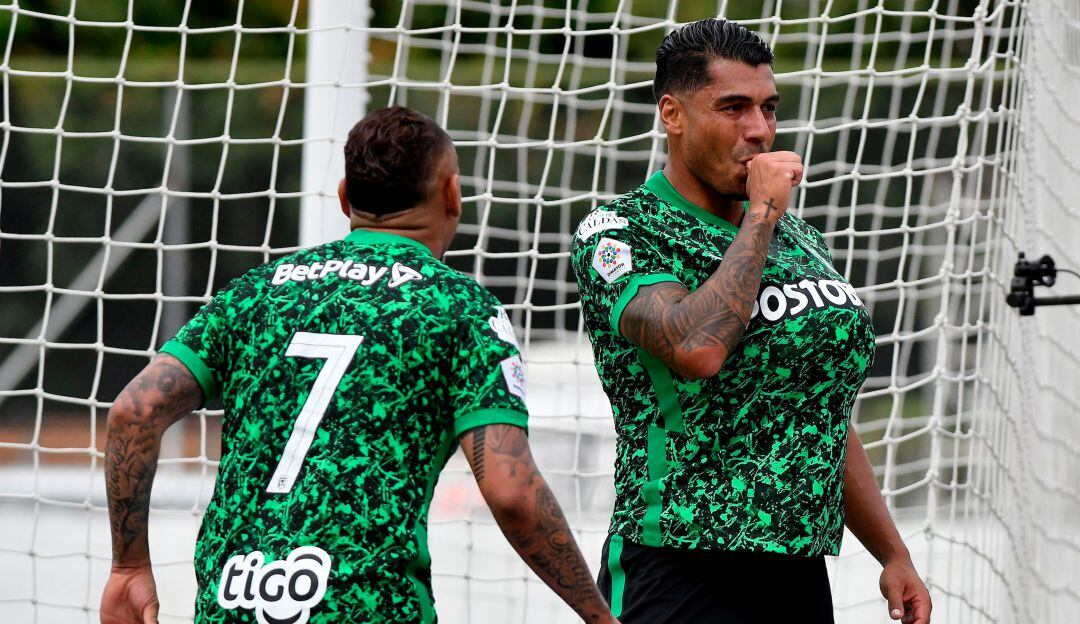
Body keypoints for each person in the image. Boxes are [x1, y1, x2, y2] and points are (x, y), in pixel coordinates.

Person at [101, 106, 618, 624]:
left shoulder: (257, 292)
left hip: (232, 604)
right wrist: (598, 617)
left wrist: (128, 567)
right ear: (452, 194)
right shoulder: (460, 308)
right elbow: (510, 489)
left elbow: (133, 411)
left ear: (345, 196)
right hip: (370, 608)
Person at [570, 19, 932, 624]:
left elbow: (818, 407)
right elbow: (697, 349)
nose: (759, 130)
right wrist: (762, 212)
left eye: (769, 108)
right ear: (672, 114)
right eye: (733, 107)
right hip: (680, 564)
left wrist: (893, 554)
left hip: (796, 570)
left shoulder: (800, 240)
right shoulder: (623, 231)